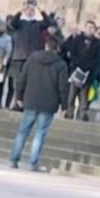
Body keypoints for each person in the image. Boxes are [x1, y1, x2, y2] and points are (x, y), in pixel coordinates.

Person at [10, 35, 69, 171]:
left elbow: (22, 78)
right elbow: (63, 87)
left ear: (46, 45)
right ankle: (32, 163)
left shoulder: (32, 59)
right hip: (49, 103)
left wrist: (19, 96)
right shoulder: (60, 64)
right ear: (57, 48)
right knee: (40, 133)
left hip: (30, 99)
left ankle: (14, 160)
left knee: (23, 131)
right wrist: (64, 106)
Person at [6, 0, 53, 109]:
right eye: (28, 10)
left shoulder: (37, 24)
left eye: (32, 10)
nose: (30, 12)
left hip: (32, 58)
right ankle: (16, 102)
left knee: (29, 82)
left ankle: (24, 103)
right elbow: (12, 23)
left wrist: (42, 11)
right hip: (19, 57)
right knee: (18, 81)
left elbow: (49, 23)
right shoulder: (20, 23)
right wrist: (19, 11)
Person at [62, 20, 100, 120]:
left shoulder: (97, 43)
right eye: (88, 27)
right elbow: (72, 52)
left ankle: (81, 116)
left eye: (92, 28)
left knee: (83, 98)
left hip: (88, 74)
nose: (89, 29)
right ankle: (69, 114)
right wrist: (78, 65)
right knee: (71, 95)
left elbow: (98, 58)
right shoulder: (78, 39)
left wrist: (88, 68)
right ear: (85, 28)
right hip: (76, 71)